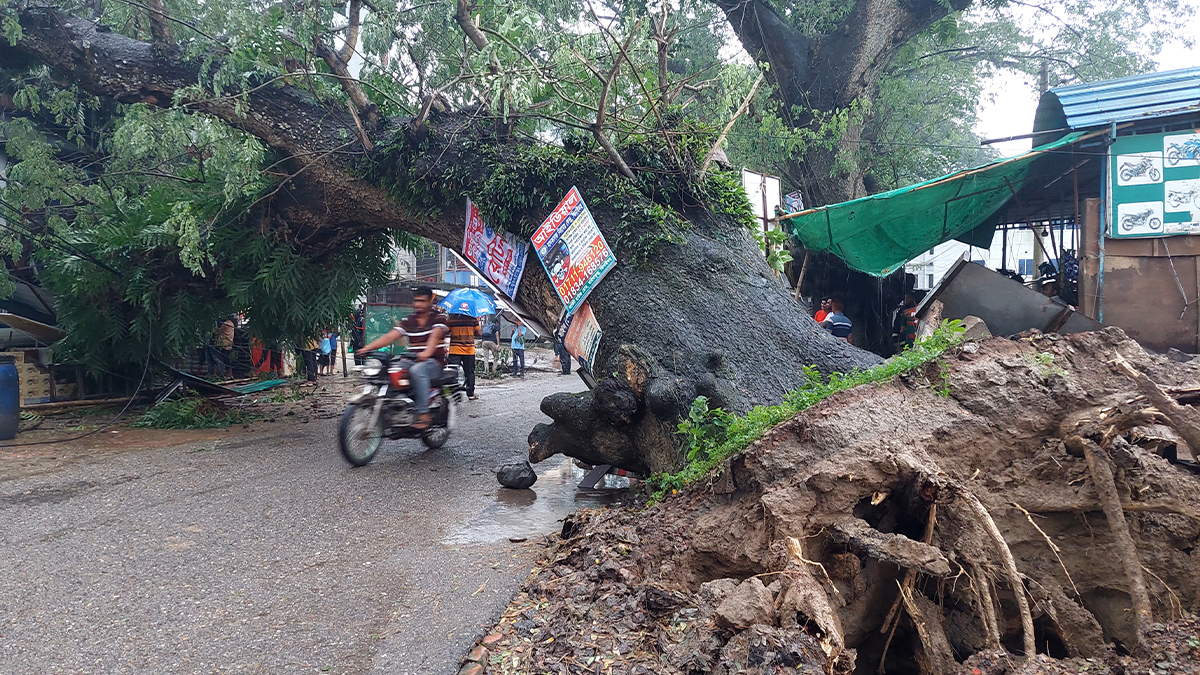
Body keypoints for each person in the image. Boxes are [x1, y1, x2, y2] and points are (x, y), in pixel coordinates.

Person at [360, 286, 449, 429]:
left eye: (422, 301)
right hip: (413, 359)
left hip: (434, 362)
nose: (418, 304)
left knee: (417, 370)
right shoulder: (409, 320)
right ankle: (395, 406)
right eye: (416, 301)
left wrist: (427, 353)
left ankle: (423, 414)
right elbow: (391, 336)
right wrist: (368, 348)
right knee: (393, 369)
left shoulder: (438, 318)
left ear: (430, 302)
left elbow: (435, 335)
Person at [447, 312, 481, 400]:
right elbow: (479, 333)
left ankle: (453, 394)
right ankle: (470, 394)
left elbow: (446, 331)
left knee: (452, 372)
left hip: (454, 349)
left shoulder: (451, 318)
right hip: (469, 350)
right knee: (469, 372)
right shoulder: (473, 318)